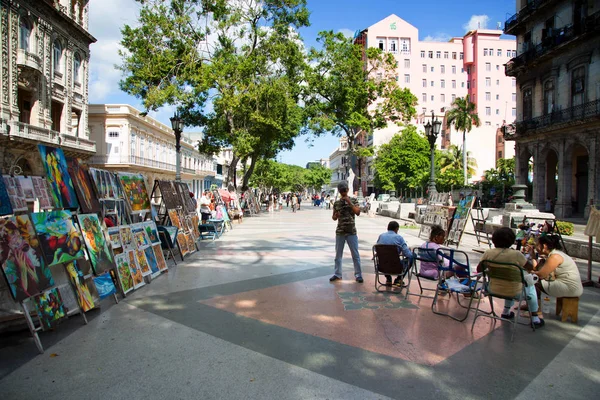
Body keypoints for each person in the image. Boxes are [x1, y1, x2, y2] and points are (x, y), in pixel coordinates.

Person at [477, 228, 543, 327]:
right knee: (530, 286)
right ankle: (535, 318)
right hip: (514, 291)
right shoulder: (516, 254)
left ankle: (506, 311)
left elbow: (479, 269)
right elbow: (530, 268)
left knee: (509, 283)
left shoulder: (488, 253)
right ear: (512, 240)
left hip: (493, 289)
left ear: (494, 240)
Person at [530, 234, 583, 302]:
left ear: (544, 246)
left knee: (531, 281)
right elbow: (536, 269)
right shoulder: (556, 254)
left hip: (569, 288)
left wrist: (530, 273)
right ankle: (534, 306)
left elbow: (541, 275)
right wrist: (533, 257)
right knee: (532, 279)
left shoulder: (555, 257)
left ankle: (534, 307)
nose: (535, 247)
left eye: (537, 245)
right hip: (570, 287)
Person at [330, 182, 363, 283]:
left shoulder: (353, 200)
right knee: (338, 255)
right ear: (339, 191)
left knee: (355, 255)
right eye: (341, 191)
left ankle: (358, 275)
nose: (343, 192)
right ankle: (337, 274)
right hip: (340, 232)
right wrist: (336, 215)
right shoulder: (336, 203)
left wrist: (349, 202)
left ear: (348, 190)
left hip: (351, 232)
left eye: (344, 190)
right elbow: (333, 217)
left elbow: (357, 212)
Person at [376, 221, 413, 286]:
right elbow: (408, 254)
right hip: (396, 266)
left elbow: (376, 249)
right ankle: (399, 279)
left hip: (382, 266)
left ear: (388, 228)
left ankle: (388, 278)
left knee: (384, 258)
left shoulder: (381, 236)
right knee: (412, 257)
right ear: (397, 229)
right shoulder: (399, 238)